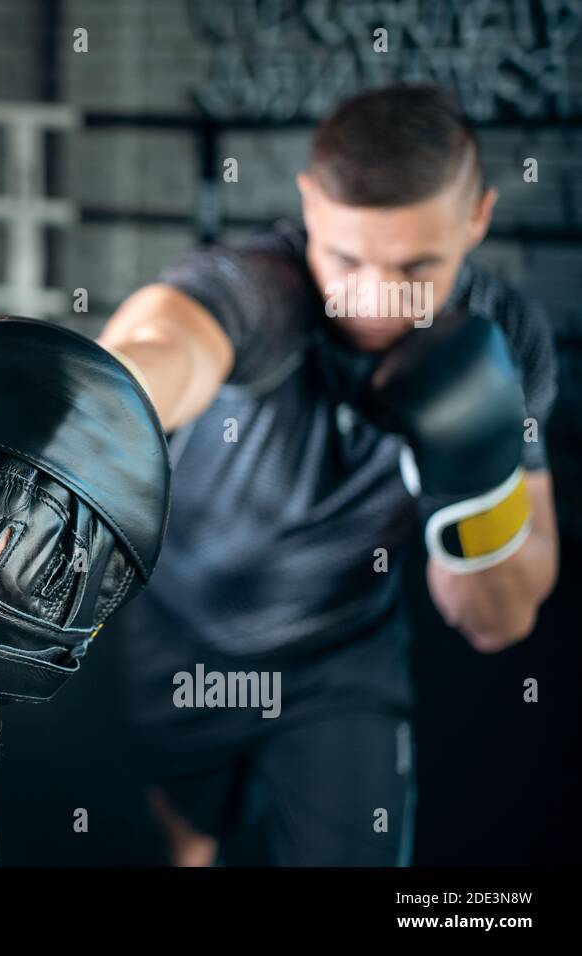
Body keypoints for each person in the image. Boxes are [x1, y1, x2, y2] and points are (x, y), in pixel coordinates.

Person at [97, 84, 559, 866]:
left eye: (416, 264)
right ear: (310, 206)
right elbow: (168, 340)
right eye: (346, 257)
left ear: (476, 218)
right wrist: (93, 398)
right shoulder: (262, 291)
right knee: (184, 834)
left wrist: (476, 472)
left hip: (341, 653)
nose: (374, 297)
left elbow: (498, 620)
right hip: (184, 632)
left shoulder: (505, 338)